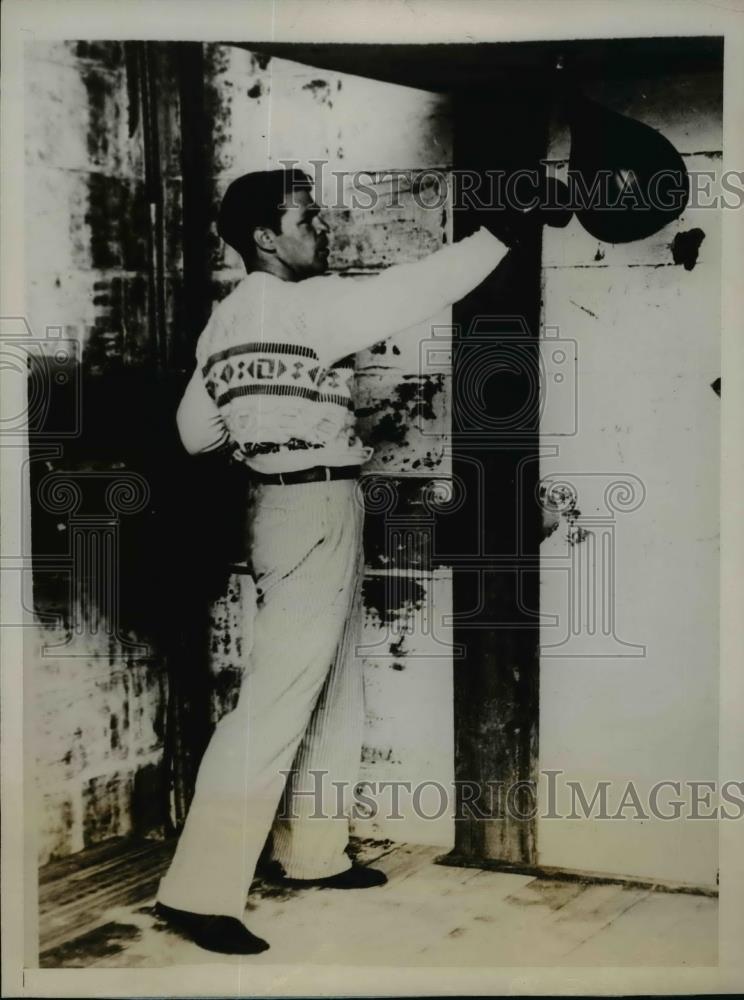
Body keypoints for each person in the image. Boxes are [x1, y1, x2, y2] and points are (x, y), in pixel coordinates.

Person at [154, 168, 511, 954]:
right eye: (307, 218)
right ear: (265, 238)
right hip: (315, 502)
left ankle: (312, 853)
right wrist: (500, 233)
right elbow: (416, 287)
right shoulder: (308, 306)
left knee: (333, 688)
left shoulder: (224, 323)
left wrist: (263, 421)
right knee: (278, 702)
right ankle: (195, 891)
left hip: (282, 502)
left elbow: (193, 434)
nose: (323, 230)